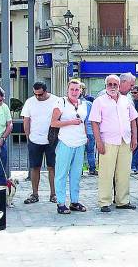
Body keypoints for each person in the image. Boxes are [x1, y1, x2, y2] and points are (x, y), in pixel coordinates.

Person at [90, 74, 138, 212]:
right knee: (106, 173)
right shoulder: (99, 101)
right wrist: (98, 142)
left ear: (119, 86)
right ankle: (104, 202)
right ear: (106, 86)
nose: (112, 87)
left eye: (115, 84)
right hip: (108, 141)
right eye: (109, 84)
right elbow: (94, 122)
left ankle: (122, 201)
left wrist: (134, 138)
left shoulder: (126, 100)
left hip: (125, 140)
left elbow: (133, 120)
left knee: (123, 173)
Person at [50, 79, 89, 214]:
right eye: (72, 89)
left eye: (77, 89)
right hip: (65, 142)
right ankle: (61, 202)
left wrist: (85, 136)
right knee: (61, 174)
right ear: (67, 90)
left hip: (80, 142)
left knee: (76, 174)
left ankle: (74, 201)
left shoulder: (83, 104)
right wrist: (71, 122)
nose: (74, 92)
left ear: (81, 91)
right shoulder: (61, 102)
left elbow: (83, 122)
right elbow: (53, 123)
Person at [21, 81, 59, 204]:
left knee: (52, 167)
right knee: (34, 167)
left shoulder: (56, 100)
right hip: (34, 139)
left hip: (52, 139)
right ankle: (35, 193)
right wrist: (28, 137)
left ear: (46, 91)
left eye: (40, 94)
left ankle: (54, 194)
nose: (38, 97)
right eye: (35, 94)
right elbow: (26, 120)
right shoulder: (29, 102)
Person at [81, 82, 97, 176]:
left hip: (79, 132)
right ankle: (92, 169)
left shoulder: (75, 104)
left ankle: (79, 170)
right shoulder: (89, 104)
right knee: (90, 152)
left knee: (80, 153)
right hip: (90, 131)